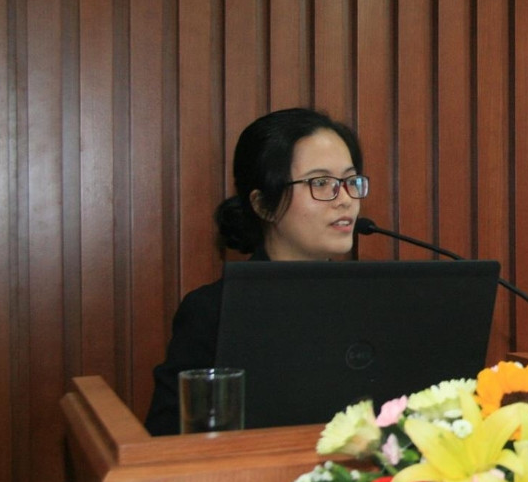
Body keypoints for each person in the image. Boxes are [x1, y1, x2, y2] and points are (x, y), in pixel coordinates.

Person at [145, 108, 368, 435]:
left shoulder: (371, 302)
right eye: (320, 183)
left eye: (350, 181)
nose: (345, 199)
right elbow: (167, 438)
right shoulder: (214, 311)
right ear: (263, 204)